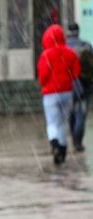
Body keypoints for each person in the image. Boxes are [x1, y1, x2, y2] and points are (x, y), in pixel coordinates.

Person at [37, 24, 80, 165]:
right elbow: (76, 73)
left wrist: (45, 84)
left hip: (50, 93)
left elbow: (42, 76)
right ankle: (62, 150)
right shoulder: (70, 53)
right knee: (62, 122)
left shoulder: (46, 55)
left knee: (52, 122)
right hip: (67, 92)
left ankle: (54, 144)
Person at [66, 22, 93, 151]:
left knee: (71, 113)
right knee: (81, 114)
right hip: (85, 85)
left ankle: (74, 136)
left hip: (68, 85)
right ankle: (78, 141)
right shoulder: (86, 46)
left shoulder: (64, 47)